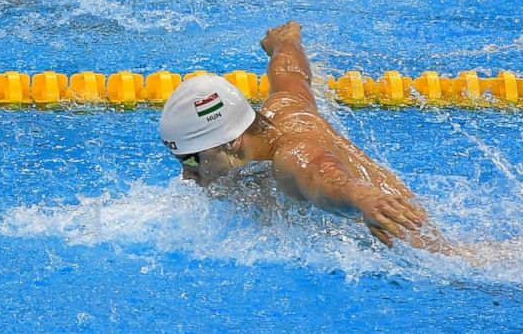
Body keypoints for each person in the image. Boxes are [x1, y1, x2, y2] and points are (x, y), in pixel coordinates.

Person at [159, 21, 445, 250]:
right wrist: (285, 41)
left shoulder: (290, 157)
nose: (187, 174)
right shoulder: (283, 107)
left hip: (415, 250)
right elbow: (290, 72)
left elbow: (323, 173)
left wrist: (363, 198)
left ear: (232, 141)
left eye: (192, 160)